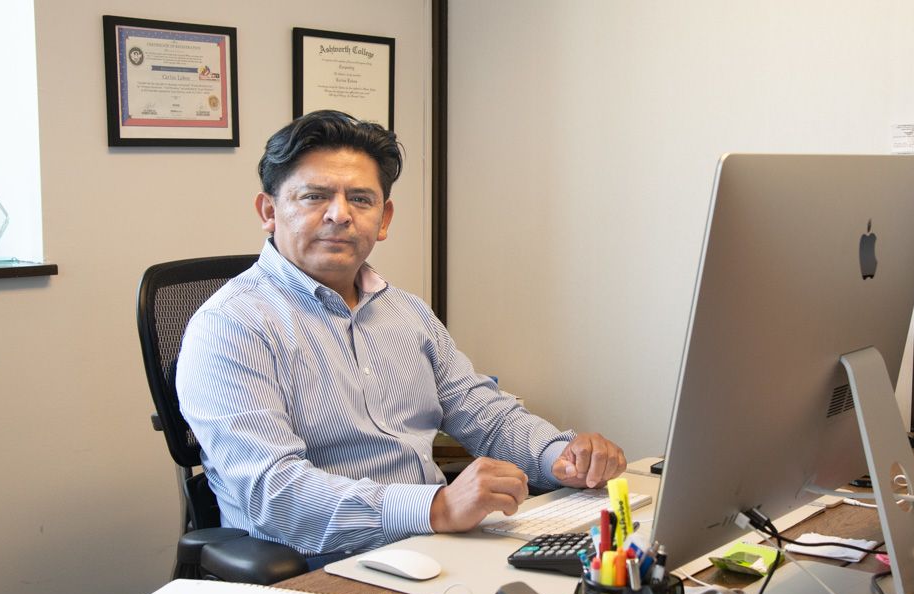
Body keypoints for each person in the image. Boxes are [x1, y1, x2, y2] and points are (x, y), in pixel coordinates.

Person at [176, 109, 627, 557]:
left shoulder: (405, 312)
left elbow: (486, 414)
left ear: (384, 217)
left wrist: (563, 459)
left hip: (435, 547)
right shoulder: (229, 327)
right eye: (314, 197)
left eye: (360, 199)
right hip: (317, 568)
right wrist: (435, 507)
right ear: (269, 211)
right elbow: (274, 496)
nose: (339, 215)